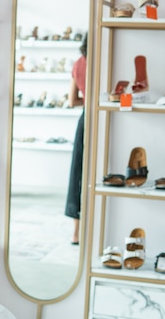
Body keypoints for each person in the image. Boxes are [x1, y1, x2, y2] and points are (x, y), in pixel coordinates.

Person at [65, 35, 87, 245]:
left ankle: (76, 233)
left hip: (85, 118)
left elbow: (72, 101)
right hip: (101, 118)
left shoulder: (79, 64)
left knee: (78, 172)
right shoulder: (102, 61)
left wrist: (86, 98)